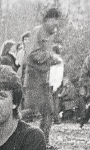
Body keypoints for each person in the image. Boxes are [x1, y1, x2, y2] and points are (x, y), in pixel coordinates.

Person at [23, 8, 63, 141]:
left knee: (49, 111)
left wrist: (50, 59)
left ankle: (42, 141)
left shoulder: (50, 35)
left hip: (44, 79)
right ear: (47, 20)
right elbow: (32, 54)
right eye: (54, 22)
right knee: (29, 112)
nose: (56, 26)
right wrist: (50, 57)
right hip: (34, 78)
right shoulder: (38, 31)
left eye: (58, 23)